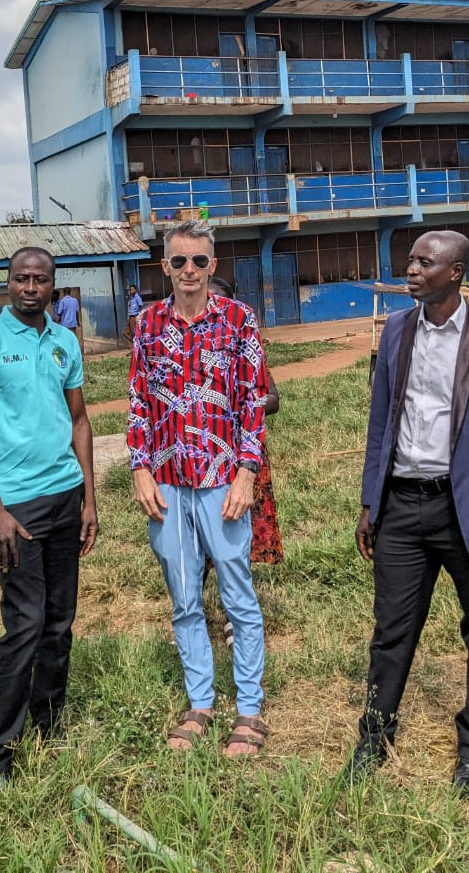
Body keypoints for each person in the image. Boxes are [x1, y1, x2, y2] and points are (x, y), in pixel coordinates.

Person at [345, 229, 469, 793]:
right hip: (401, 505)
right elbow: (380, 423)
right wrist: (370, 502)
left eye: (426, 262)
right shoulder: (396, 329)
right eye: (411, 260)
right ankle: (375, 736)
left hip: (464, 512)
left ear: (456, 273)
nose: (412, 269)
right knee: (391, 631)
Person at [128, 221, 270, 756]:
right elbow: (139, 401)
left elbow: (253, 401)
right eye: (179, 261)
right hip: (166, 482)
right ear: (164, 266)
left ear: (214, 265)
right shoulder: (147, 324)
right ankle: (200, 702)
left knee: (238, 593)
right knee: (184, 597)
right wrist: (140, 468)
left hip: (221, 480)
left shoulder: (238, 320)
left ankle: (250, 709)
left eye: (200, 261)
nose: (190, 270)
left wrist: (247, 473)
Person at [0, 247, 99, 789]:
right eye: (22, 279)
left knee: (59, 622)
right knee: (25, 625)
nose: (31, 288)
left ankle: (47, 726)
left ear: (53, 285)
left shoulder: (65, 341)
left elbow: (80, 419)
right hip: (15, 505)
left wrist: (89, 499)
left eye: (41, 280)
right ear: (9, 282)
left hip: (65, 496)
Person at [207, 275, 283, 641]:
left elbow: (273, 399)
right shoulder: (181, 347)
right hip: (199, 459)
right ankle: (188, 613)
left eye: (220, 302)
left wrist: (235, 403)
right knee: (195, 538)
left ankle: (234, 616)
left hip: (242, 457)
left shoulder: (246, 344)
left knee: (235, 537)